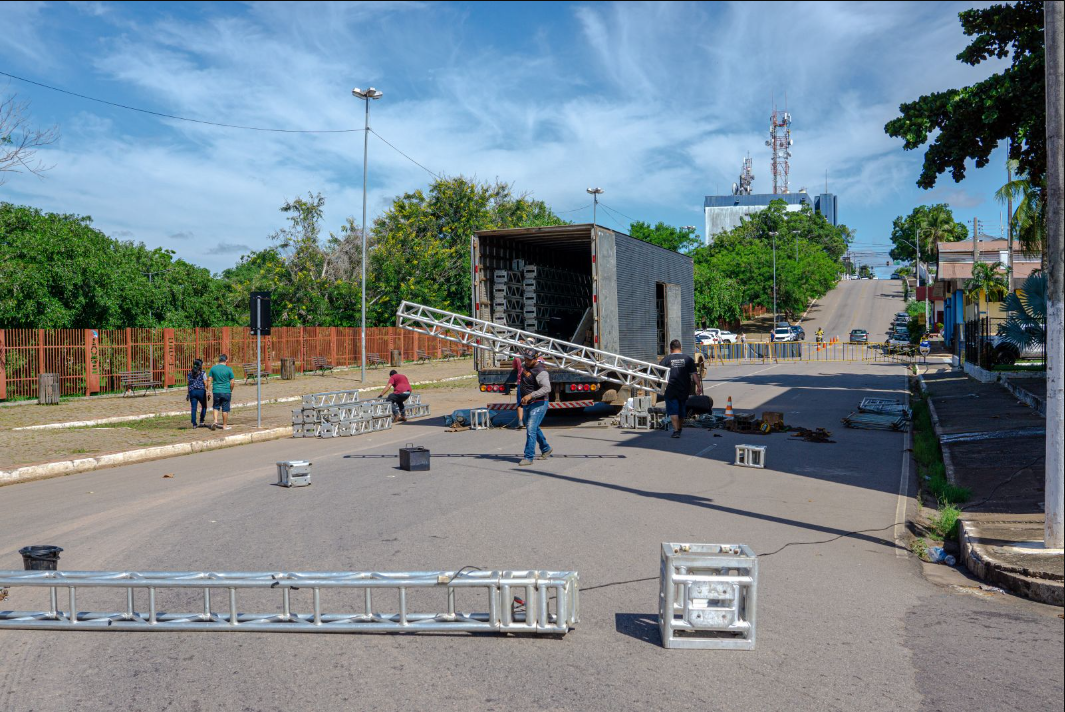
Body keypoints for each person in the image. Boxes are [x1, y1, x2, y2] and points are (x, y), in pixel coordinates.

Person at [659, 339, 700, 439]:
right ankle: (679, 428)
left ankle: (676, 431)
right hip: (684, 389)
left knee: (673, 411)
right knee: (681, 410)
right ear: (680, 347)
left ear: (671, 349)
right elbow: (694, 375)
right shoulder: (688, 359)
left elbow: (658, 373)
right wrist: (699, 387)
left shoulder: (666, 359)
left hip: (671, 389)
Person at [518, 349, 552, 465]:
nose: (526, 361)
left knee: (530, 430)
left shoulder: (541, 372)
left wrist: (531, 395)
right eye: (525, 359)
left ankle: (528, 457)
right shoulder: (525, 365)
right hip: (527, 403)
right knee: (533, 427)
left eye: (529, 359)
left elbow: (547, 388)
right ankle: (546, 448)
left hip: (539, 403)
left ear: (535, 358)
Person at [206, 354, 236, 431]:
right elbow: (232, 382)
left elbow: (209, 380)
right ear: (226, 360)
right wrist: (231, 390)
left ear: (219, 360)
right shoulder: (229, 369)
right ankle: (224, 426)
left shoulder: (213, 368)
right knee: (225, 409)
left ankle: (215, 421)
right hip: (226, 391)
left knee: (216, 407)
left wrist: (208, 390)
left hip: (216, 391)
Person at [186, 358, 207, 428]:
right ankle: (201, 421)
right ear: (200, 365)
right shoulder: (203, 372)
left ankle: (194, 424)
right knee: (204, 406)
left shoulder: (189, 373)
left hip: (192, 392)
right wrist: (207, 390)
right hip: (201, 391)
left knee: (193, 408)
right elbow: (205, 382)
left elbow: (188, 384)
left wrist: (188, 393)